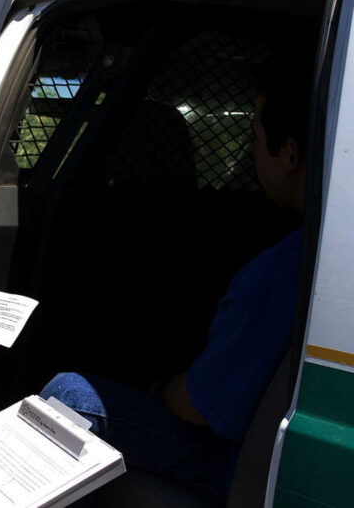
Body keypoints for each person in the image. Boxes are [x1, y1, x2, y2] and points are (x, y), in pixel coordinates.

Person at [40, 51, 311, 501]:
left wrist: (158, 389)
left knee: (68, 393)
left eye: (256, 137)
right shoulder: (312, 248)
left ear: (289, 153)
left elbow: (201, 407)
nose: (250, 150)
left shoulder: (278, 272)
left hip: (233, 460)